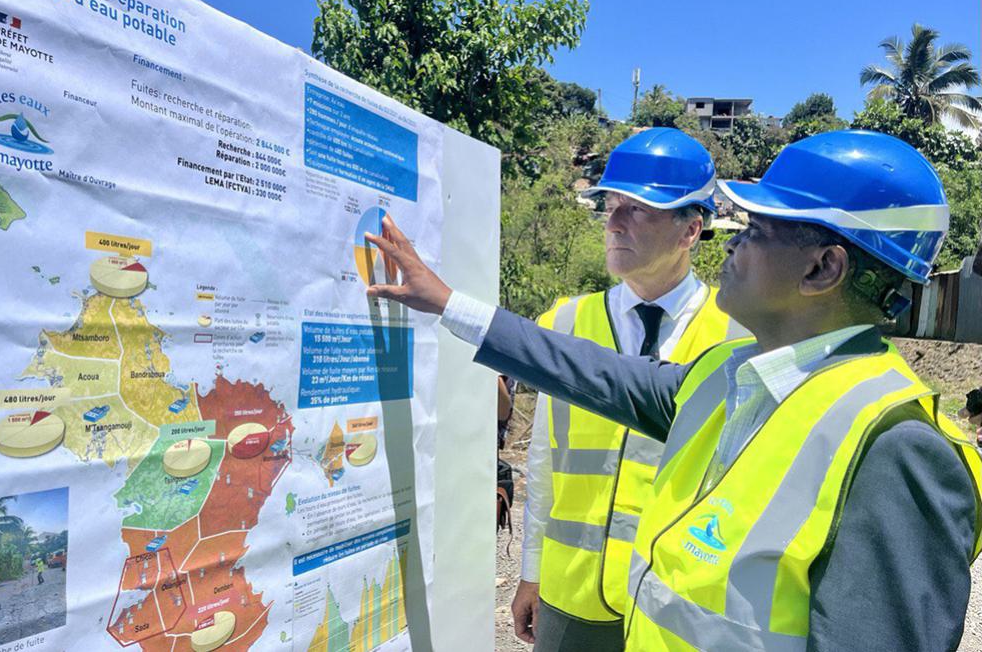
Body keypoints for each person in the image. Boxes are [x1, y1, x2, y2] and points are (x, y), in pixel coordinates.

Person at [365, 130, 982, 650]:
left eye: (759, 231)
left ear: (823, 268)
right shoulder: (729, 374)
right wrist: (446, 302)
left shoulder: (898, 446)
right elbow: (586, 370)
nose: (732, 242)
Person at [511, 128, 744, 651]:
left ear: (691, 230)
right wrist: (531, 571)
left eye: (637, 209)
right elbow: (544, 461)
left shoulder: (736, 338)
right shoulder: (567, 323)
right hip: (572, 598)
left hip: (677, 604)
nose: (613, 222)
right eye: (610, 204)